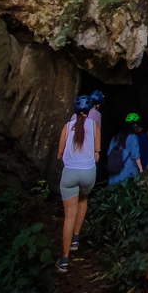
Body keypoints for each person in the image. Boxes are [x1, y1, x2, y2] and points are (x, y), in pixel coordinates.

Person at [56, 95, 100, 273]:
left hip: (70, 174)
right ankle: (76, 238)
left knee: (68, 217)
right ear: (89, 112)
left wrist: (67, 159)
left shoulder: (67, 127)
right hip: (88, 172)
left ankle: (64, 260)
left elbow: (59, 154)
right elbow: (97, 151)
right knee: (83, 199)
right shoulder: (94, 126)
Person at [107, 113, 143, 185]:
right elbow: (135, 155)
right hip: (127, 173)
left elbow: (108, 153)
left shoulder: (115, 137)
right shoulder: (133, 137)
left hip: (113, 174)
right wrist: (141, 170)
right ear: (135, 125)